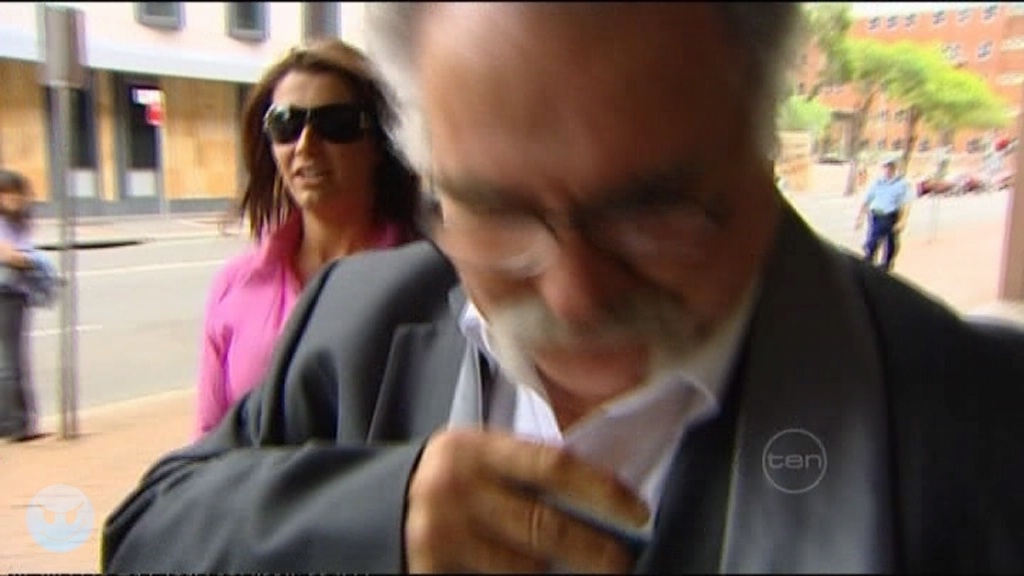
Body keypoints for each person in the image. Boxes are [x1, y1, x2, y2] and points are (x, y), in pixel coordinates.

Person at [102, 4, 1024, 573]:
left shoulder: (981, 425)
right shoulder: (354, 325)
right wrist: (374, 515)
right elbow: (146, 533)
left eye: (652, 212)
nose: (575, 297)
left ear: (761, 146)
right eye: (495, 213)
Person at [193, 38, 422, 438]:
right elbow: (207, 441)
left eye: (336, 124)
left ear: (380, 142)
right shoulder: (235, 285)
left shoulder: (427, 283)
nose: (306, 145)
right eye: (286, 124)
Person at [0, 169, 57, 443]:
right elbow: (10, 256)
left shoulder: (20, 221)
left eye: (15, 193)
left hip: (16, 292)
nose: (11, 198)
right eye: (5, 194)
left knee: (12, 360)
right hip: (6, 293)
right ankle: (17, 423)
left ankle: (15, 422)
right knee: (10, 361)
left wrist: (27, 259)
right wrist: (33, 260)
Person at [856, 157, 912, 272]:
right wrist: (860, 217)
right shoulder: (877, 183)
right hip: (875, 215)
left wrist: (903, 220)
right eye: (886, 167)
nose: (888, 170)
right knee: (874, 238)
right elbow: (866, 200)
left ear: (895, 168)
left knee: (890, 241)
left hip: (890, 215)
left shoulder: (901, 184)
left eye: (890, 167)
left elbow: (906, 204)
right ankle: (870, 257)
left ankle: (886, 263)